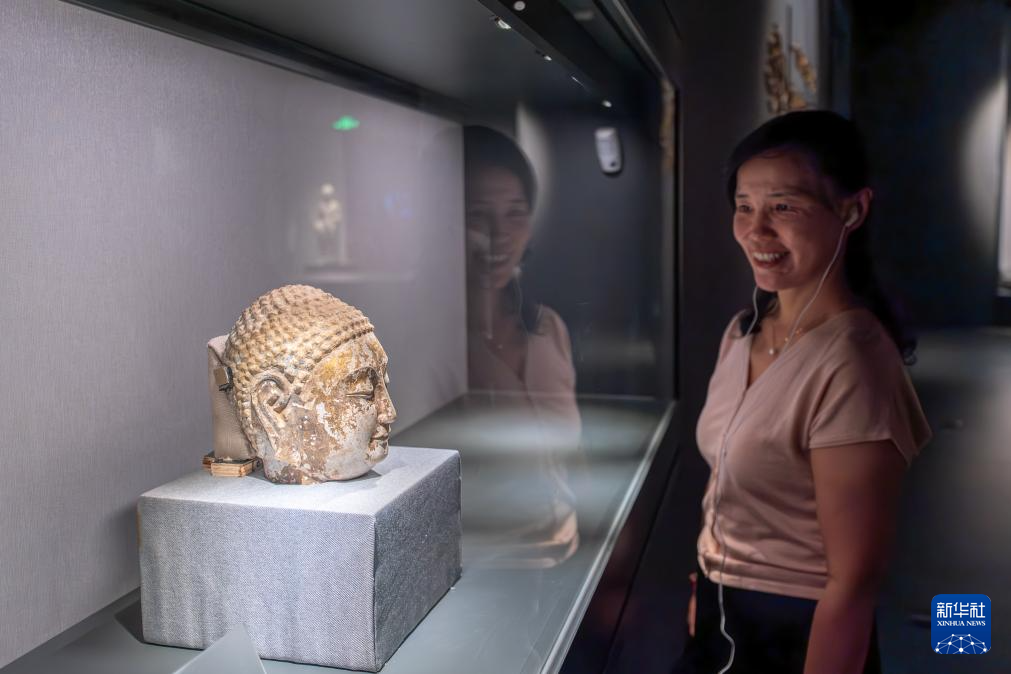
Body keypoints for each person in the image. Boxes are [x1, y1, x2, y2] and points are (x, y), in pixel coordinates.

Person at [674, 110, 932, 674]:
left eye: (784, 207)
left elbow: (853, 583)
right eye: (744, 206)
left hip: (795, 634)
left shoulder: (853, 364)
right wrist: (709, 581)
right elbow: (728, 479)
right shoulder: (742, 331)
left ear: (852, 210)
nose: (756, 230)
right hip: (723, 615)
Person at [462, 125, 582, 568]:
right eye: (477, 215)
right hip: (478, 571)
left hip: (564, 555)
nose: (499, 235)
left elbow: (568, 460)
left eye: (515, 213)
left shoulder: (548, 329)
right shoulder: (431, 345)